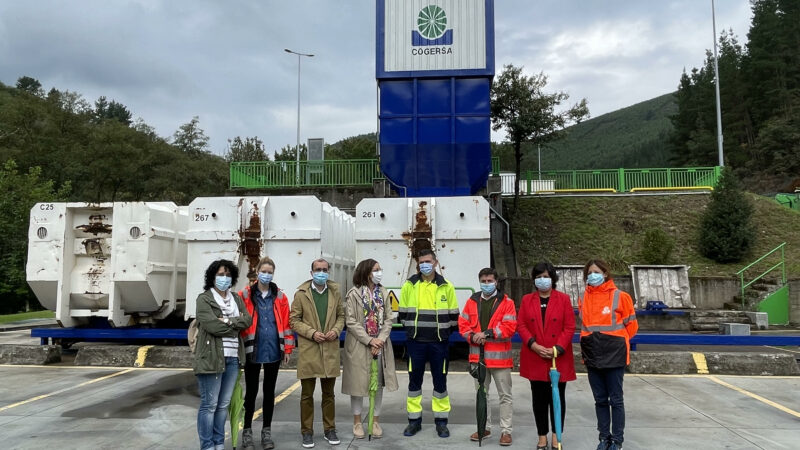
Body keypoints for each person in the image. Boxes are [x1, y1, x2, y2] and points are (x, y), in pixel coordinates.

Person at [398, 248, 460, 438]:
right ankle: (414, 422)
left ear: (435, 262)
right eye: (421, 262)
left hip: (438, 344)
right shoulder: (410, 285)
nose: (424, 265)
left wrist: (442, 334)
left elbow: (453, 316)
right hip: (415, 343)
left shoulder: (446, 286)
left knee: (440, 383)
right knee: (414, 384)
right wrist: (412, 333)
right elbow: (402, 314)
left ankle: (441, 422)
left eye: (428, 261)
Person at [193, 259, 253, 450]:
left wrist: (226, 321)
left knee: (222, 405)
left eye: (228, 275)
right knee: (209, 405)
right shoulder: (204, 299)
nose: (224, 278)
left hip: (233, 358)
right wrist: (234, 324)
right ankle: (207, 445)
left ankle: (219, 443)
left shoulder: (236, 298)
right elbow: (211, 325)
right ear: (212, 276)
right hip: (211, 358)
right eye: (220, 274)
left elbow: (248, 320)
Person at [579, 259, 638, 450]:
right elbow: (586, 327)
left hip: (614, 354)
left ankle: (617, 440)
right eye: (589, 272)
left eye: (596, 272)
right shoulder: (584, 297)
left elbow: (632, 327)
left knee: (616, 399)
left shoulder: (621, 296)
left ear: (605, 273)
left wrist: (616, 343)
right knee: (600, 400)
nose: (592, 275)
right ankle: (604, 438)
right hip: (592, 353)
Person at [517, 262, 576, 450]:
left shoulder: (564, 299)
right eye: (539, 276)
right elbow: (522, 325)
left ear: (553, 278)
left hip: (557, 357)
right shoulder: (527, 300)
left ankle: (556, 435)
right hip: (535, 355)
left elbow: (569, 327)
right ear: (534, 279)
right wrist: (533, 345)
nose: (542, 280)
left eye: (546, 276)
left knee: (557, 398)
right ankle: (542, 435)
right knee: (539, 399)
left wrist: (557, 348)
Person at [289, 258, 345, 449]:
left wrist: (336, 331)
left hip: (329, 348)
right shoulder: (301, 294)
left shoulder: (335, 292)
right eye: (318, 270)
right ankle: (307, 431)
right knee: (307, 395)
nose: (321, 273)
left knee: (329, 394)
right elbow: (294, 320)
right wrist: (312, 333)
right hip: (310, 349)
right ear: (311, 272)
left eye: (324, 269)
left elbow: (341, 316)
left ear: (328, 272)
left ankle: (330, 429)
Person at [238, 257, 293, 450]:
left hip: (273, 350)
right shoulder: (244, 295)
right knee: (251, 394)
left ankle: (266, 432)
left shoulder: (280, 297)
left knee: (269, 393)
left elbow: (286, 325)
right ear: (257, 271)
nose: (267, 275)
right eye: (264, 271)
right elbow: (238, 321)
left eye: (270, 272)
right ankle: (246, 432)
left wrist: (287, 348)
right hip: (252, 349)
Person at [458, 267, 517, 446]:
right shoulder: (472, 301)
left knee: (504, 396)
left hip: (500, 360)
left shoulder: (507, 302)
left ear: (496, 282)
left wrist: (487, 334)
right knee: (481, 395)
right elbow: (463, 324)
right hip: (478, 358)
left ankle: (506, 431)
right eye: (483, 281)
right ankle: (484, 427)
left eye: (489, 281)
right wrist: (472, 336)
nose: (486, 284)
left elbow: (509, 327)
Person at [341, 258, 399, 439]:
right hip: (359, 344)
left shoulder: (383, 291)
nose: (379, 272)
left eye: (380, 269)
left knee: (378, 385)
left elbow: (389, 318)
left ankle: (375, 421)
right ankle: (357, 422)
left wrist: (380, 339)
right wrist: (369, 340)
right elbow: (350, 321)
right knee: (358, 385)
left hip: (380, 345)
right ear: (367, 272)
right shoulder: (353, 294)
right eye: (376, 269)